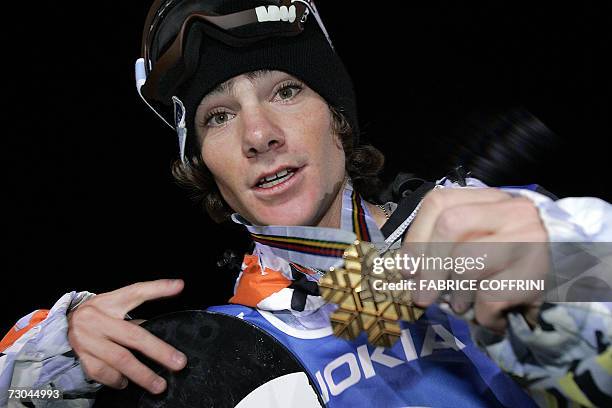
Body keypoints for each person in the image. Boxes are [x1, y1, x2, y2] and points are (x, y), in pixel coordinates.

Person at [1, 1, 611, 407]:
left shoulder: (500, 224)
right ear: (205, 166)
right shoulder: (220, 348)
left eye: (286, 91)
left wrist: (563, 285)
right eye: (218, 117)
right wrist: (50, 363)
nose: (259, 134)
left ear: (338, 121)